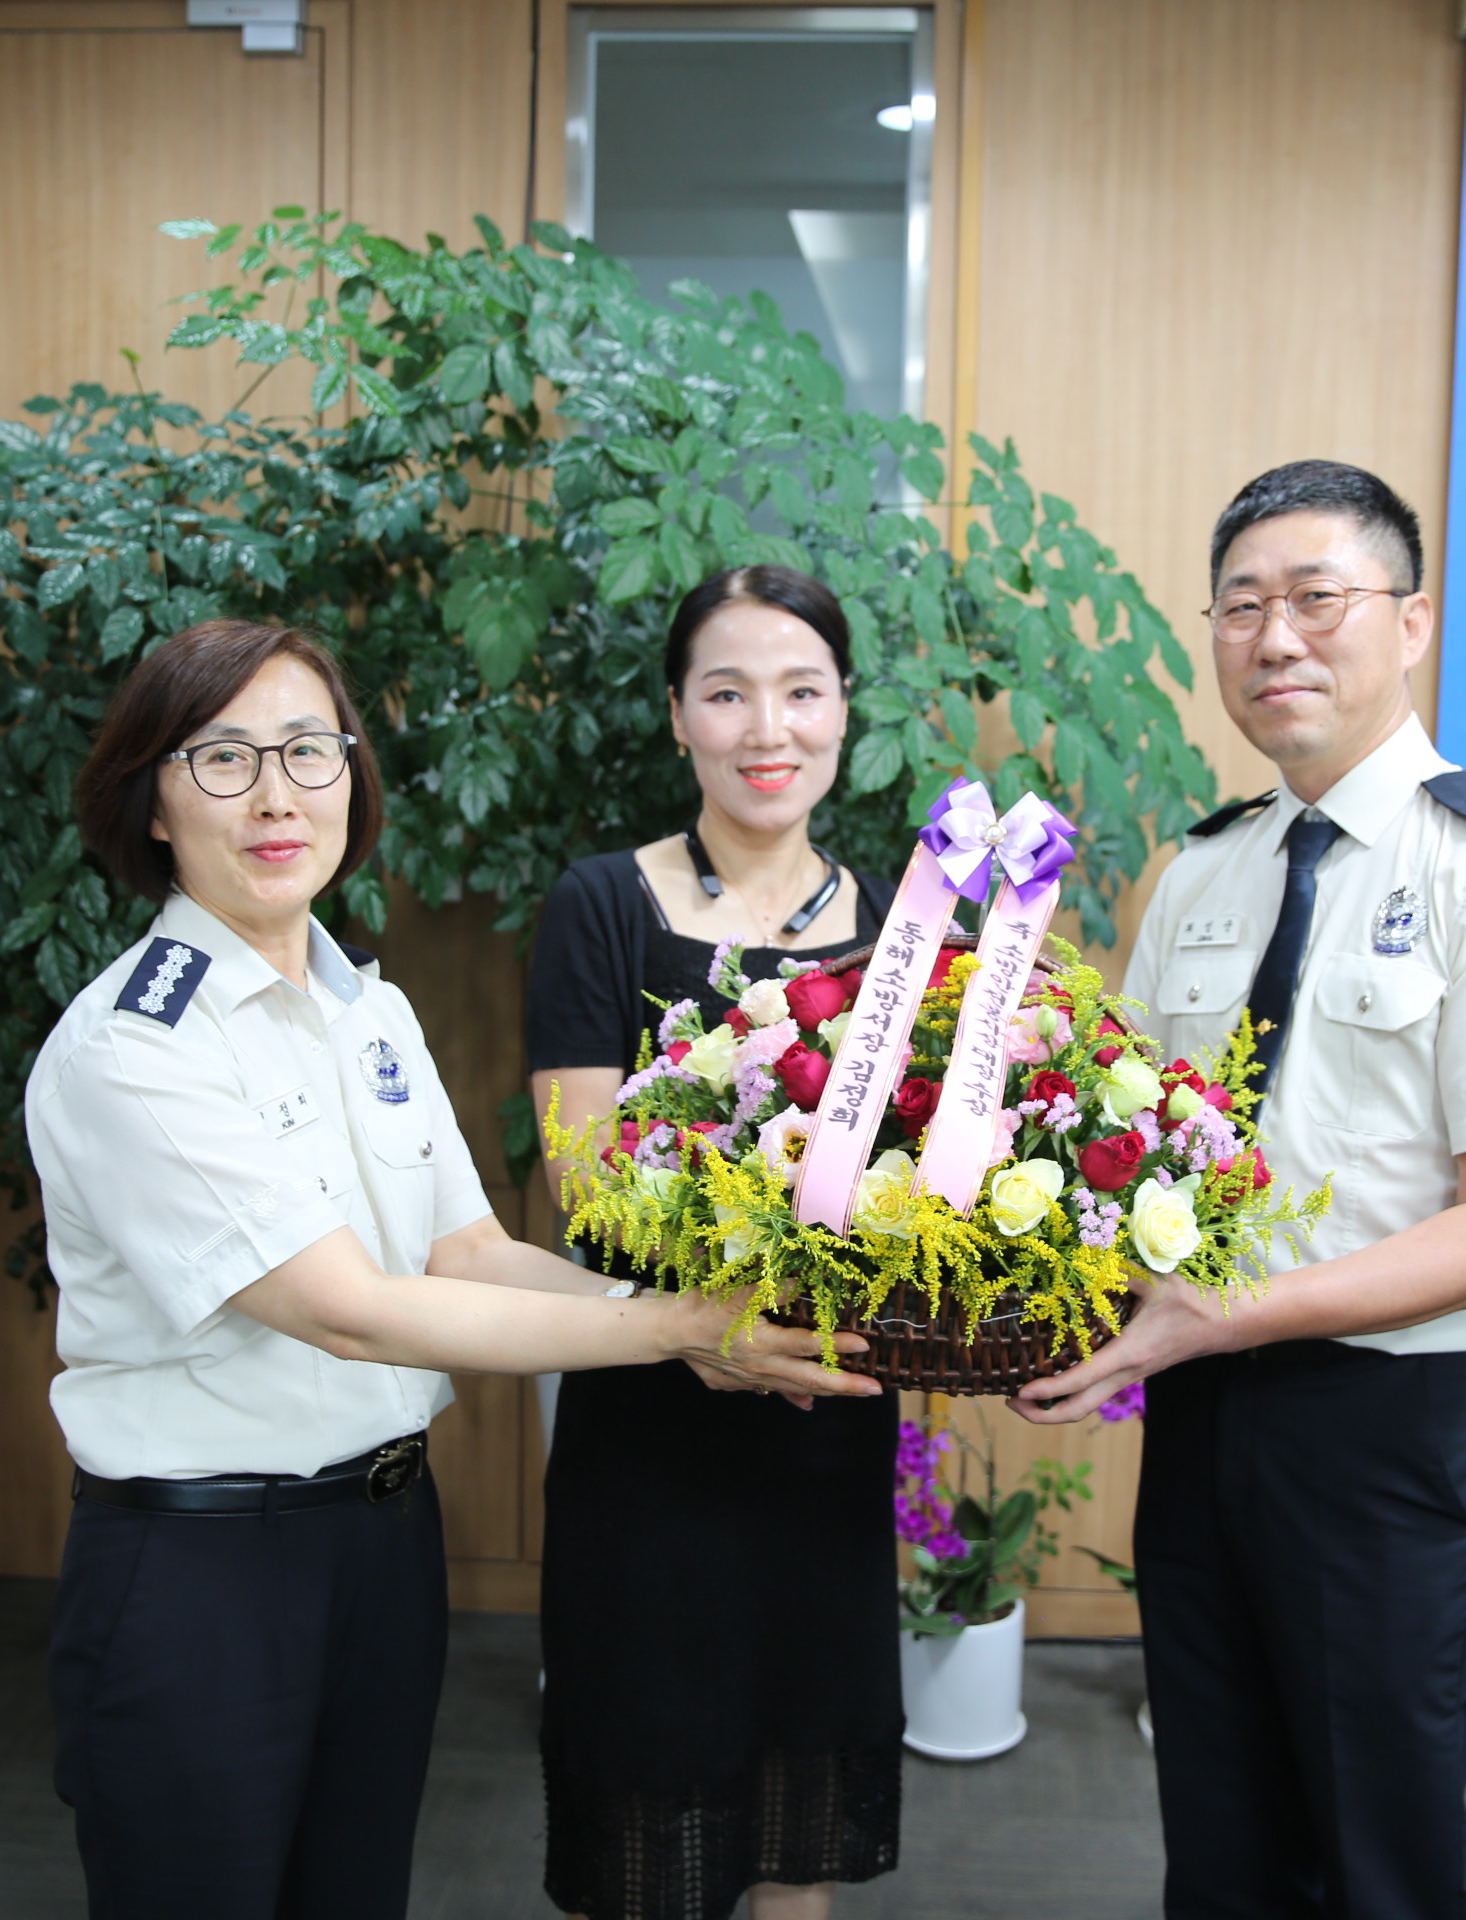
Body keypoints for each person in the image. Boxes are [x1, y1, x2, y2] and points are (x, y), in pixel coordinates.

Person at [26, 619, 874, 1920]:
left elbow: (468, 1253)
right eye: (224, 759)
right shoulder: (136, 1048)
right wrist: (676, 1332)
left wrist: (677, 1315)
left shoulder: (370, 1009)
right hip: (204, 1571)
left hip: (383, 1543)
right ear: (150, 801)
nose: (276, 797)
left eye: (308, 751)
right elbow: (352, 1313)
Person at [1016, 462, 1466, 1919]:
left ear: (1410, 623)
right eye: (1240, 607)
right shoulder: (1204, 870)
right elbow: (1128, 1144)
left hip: (1385, 1430)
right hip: (1204, 1409)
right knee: (1221, 1842)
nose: (1274, 637)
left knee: (1381, 1858)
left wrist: (1231, 1313)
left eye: (1314, 598)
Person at [525, 566, 905, 1920]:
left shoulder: (909, 932)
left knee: (803, 1829)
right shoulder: (601, 905)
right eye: (728, 694)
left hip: (830, 1426)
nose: (768, 729)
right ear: (678, 714)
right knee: (655, 1823)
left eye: (802, 692)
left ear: (844, 710)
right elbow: (588, 1188)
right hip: (653, 1422)